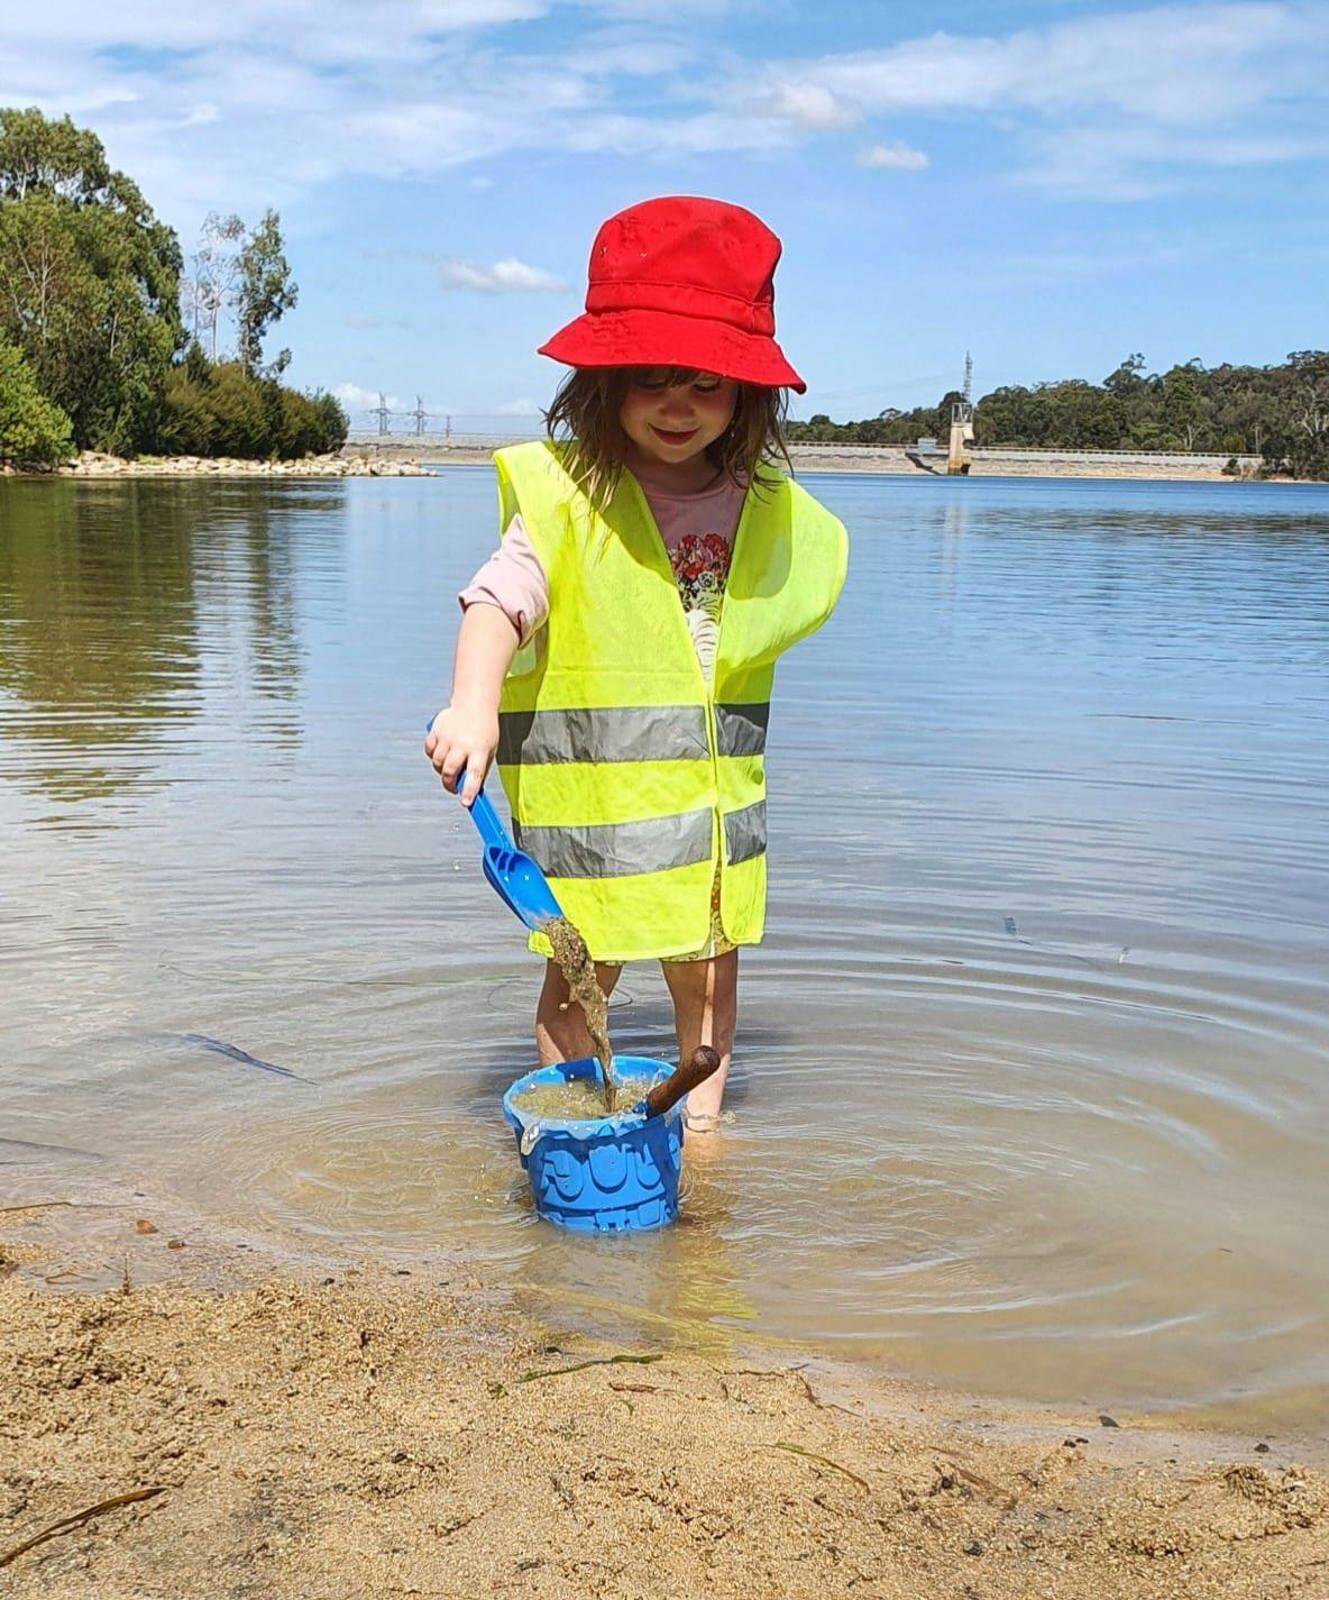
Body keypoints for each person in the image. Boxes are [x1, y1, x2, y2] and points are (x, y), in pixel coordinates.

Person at [425, 195, 847, 1130]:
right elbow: (496, 602)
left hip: (710, 831)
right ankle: (571, 1135)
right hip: (596, 828)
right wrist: (471, 707)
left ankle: (702, 1146)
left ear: (746, 394)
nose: (677, 405)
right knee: (579, 991)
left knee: (707, 1003)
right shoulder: (568, 499)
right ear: (603, 383)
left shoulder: (762, 507)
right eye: (650, 379)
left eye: (705, 383)